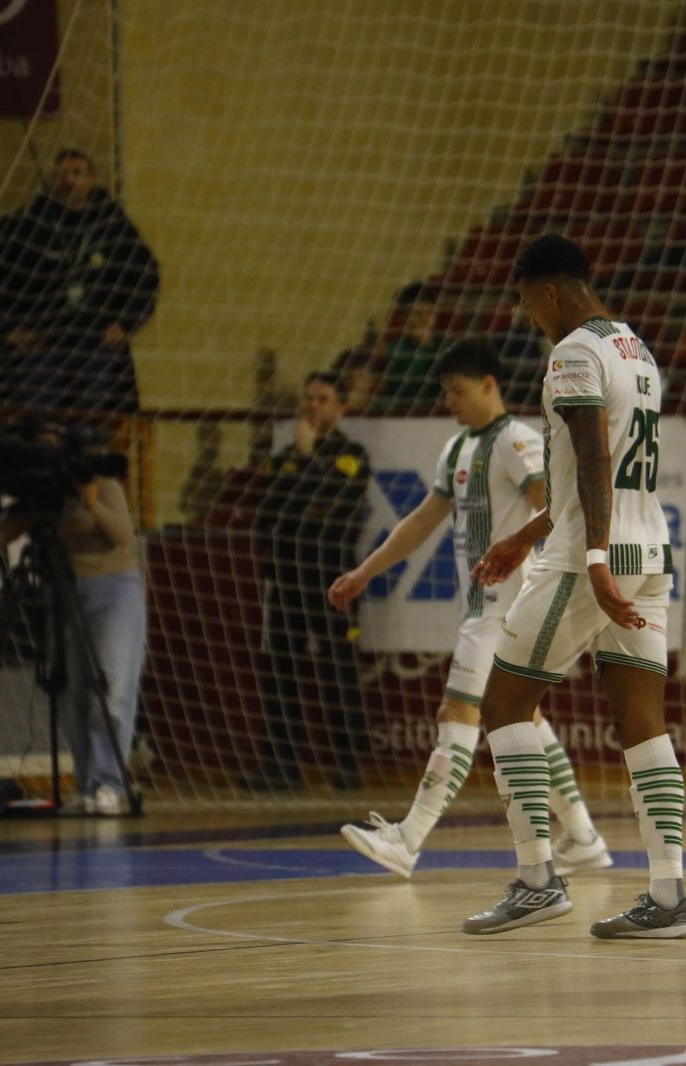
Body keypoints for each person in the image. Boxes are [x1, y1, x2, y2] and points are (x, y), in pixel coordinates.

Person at [458, 234, 686, 939]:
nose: (529, 316)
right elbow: (604, 468)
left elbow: (593, 456)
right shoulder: (634, 348)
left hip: (591, 557)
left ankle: (537, 880)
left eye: (528, 302)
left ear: (550, 292)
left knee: (503, 703)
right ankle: (670, 894)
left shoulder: (571, 355)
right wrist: (522, 537)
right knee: (640, 721)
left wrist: (589, 553)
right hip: (650, 549)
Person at [327, 338, 610, 879]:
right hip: (486, 608)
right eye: (445, 392)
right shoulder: (456, 449)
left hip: (505, 609)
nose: (449, 401)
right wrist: (365, 572)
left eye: (458, 390)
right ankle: (582, 835)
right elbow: (421, 522)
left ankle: (408, 840)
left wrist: (555, 582)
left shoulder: (518, 441)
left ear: (489, 385)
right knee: (525, 719)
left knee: (456, 714)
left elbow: (554, 510)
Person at [0, 422, 145, 816]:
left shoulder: (95, 478)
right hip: (65, 591)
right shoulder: (39, 496)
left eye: (52, 443)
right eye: (39, 444)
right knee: (69, 696)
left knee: (110, 691)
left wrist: (91, 500)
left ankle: (111, 785)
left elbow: (123, 534)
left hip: (113, 591)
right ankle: (88, 785)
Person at [0, 148, 159, 415]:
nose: (69, 180)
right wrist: (7, 327)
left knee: (91, 420)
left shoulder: (112, 225)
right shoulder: (26, 224)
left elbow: (146, 275)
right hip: (43, 341)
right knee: (40, 420)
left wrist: (126, 322)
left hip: (95, 343)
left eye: (76, 173)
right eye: (61, 175)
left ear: (92, 178)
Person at [250, 370, 371, 790]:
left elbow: (335, 500)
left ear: (340, 407)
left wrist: (306, 462)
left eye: (322, 399)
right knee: (282, 672)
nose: (313, 407)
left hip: (333, 580)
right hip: (287, 579)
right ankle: (281, 764)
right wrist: (302, 479)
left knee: (339, 672)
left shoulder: (351, 454)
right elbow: (271, 513)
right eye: (309, 399)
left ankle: (349, 764)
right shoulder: (281, 456)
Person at [371, 281, 443, 412]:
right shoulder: (393, 349)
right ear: (402, 317)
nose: (418, 320)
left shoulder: (447, 346)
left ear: (434, 314)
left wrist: (426, 344)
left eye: (424, 313)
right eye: (411, 313)